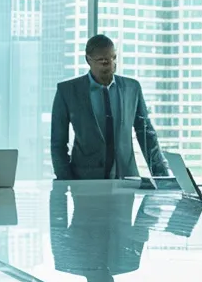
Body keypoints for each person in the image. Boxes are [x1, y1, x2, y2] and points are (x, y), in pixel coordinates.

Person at [50, 35, 171, 180]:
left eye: (113, 58)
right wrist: (66, 180)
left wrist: (163, 177)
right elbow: (58, 143)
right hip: (85, 181)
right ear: (88, 60)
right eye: (103, 61)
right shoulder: (68, 91)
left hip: (126, 180)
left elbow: (146, 134)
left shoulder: (132, 88)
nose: (110, 64)